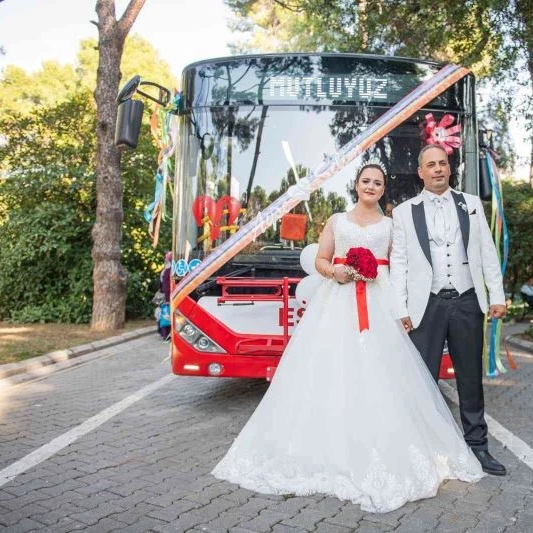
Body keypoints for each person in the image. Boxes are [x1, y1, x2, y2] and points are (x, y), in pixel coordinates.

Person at [212, 162, 484, 513]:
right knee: (331, 367)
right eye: (366, 181)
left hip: (380, 303)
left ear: (383, 189)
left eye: (378, 183)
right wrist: (336, 272)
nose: (371, 186)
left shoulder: (392, 225)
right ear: (356, 185)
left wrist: (402, 306)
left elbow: (400, 265)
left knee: (385, 372)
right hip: (337, 303)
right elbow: (321, 260)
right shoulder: (337, 221)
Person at [390, 144, 508, 476]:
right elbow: (399, 264)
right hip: (425, 303)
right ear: (421, 172)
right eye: (431, 164)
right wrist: (400, 307)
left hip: (468, 300)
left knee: (470, 378)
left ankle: (478, 447)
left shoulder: (471, 204)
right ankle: (423, 451)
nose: (438, 169)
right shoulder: (405, 212)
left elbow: (487, 251)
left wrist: (497, 295)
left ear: (449, 167)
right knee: (422, 379)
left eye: (442, 163)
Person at [157, 252, 172, 341]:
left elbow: (162, 284)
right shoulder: (170, 270)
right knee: (166, 314)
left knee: (164, 314)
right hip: (167, 296)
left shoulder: (165, 270)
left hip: (165, 295)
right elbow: (165, 285)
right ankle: (166, 334)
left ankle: (163, 333)